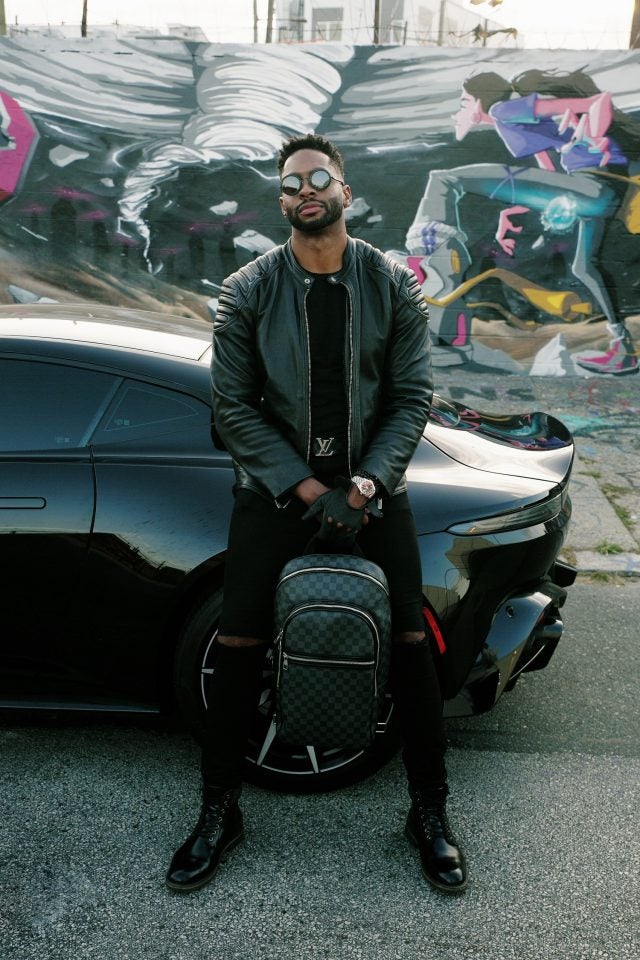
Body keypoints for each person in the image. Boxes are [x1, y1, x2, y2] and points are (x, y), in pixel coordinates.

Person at [165, 133, 467, 895]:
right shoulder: (248, 289)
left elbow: (412, 398)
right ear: (282, 201)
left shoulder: (392, 283)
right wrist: (308, 491)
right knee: (239, 643)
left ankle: (429, 814)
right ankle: (218, 811)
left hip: (374, 489)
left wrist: (362, 489)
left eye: (318, 177)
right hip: (275, 492)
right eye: (291, 182)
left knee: (410, 643)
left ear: (344, 191)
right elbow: (234, 409)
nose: (305, 189)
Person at [405, 69, 640, 376]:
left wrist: (595, 135)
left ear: (479, 101)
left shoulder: (505, 110)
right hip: (595, 197)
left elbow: (598, 101)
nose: (458, 112)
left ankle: (429, 265)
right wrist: (509, 213)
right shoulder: (514, 127)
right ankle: (623, 348)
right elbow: (548, 180)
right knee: (583, 268)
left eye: (464, 102)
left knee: (446, 179)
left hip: (592, 188)